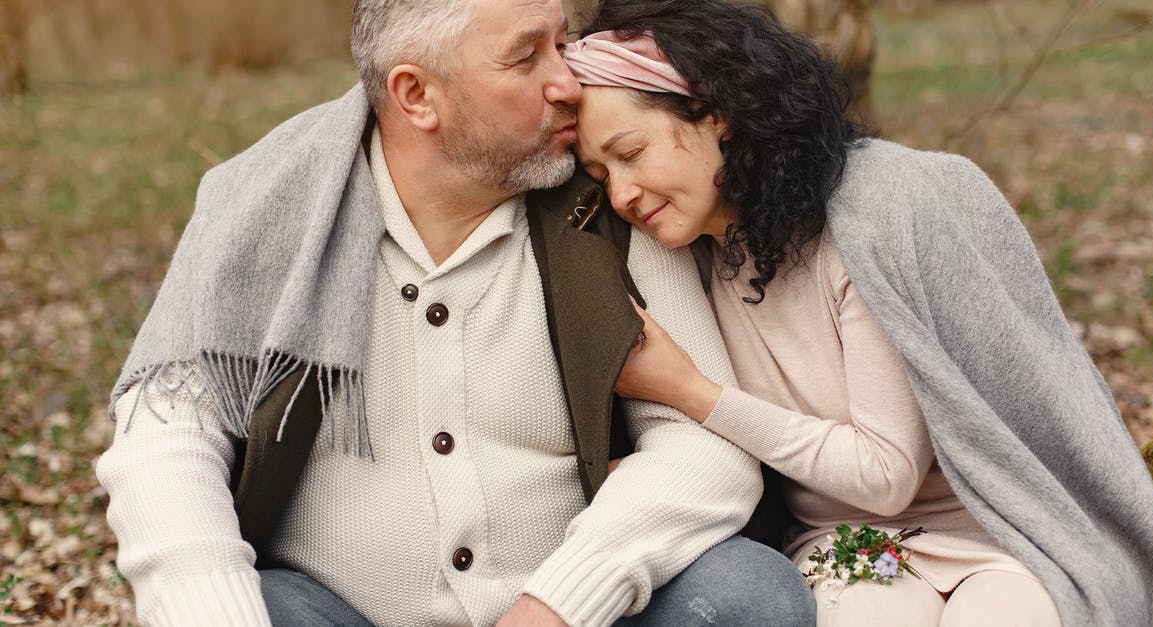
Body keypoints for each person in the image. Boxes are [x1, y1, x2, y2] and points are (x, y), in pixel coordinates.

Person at [95, 0, 818, 625]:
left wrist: (560, 603)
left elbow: (707, 449)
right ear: (417, 95)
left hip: (581, 615)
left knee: (748, 595)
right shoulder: (261, 206)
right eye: (525, 58)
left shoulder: (609, 201)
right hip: (335, 609)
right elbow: (162, 444)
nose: (568, 82)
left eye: (560, 43)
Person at [563, 0, 1153, 625]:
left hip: (995, 535)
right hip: (847, 544)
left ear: (718, 115)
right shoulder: (678, 258)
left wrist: (691, 391)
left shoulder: (865, 225)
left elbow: (884, 474)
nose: (621, 193)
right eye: (600, 172)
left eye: (632, 153)